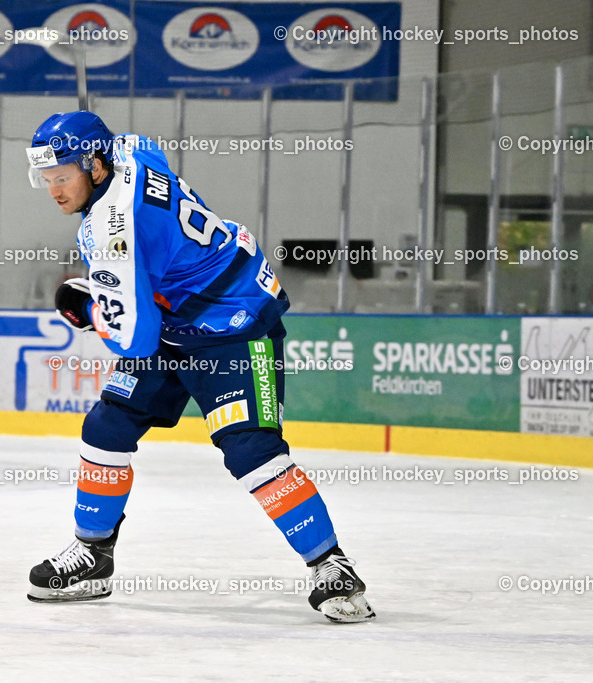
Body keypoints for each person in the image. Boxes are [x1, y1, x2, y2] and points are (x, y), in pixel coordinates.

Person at [24, 111, 375, 623]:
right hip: (180, 320)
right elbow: (138, 139)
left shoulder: (109, 228)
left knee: (251, 448)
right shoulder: (131, 156)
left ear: (95, 167)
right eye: (47, 178)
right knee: (107, 425)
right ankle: (92, 555)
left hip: (236, 324)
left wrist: (91, 310)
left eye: (63, 176)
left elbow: (135, 340)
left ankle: (332, 565)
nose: (54, 190)